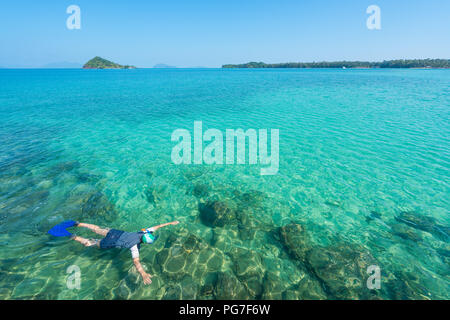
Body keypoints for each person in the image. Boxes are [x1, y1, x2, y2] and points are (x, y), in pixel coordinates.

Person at [69, 220, 179, 284]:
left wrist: (170, 223)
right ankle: (74, 237)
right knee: (91, 243)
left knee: (97, 229)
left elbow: (157, 226)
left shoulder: (143, 232)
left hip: (116, 233)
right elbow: (136, 262)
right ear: (144, 242)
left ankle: (78, 224)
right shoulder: (135, 247)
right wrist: (143, 273)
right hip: (112, 242)